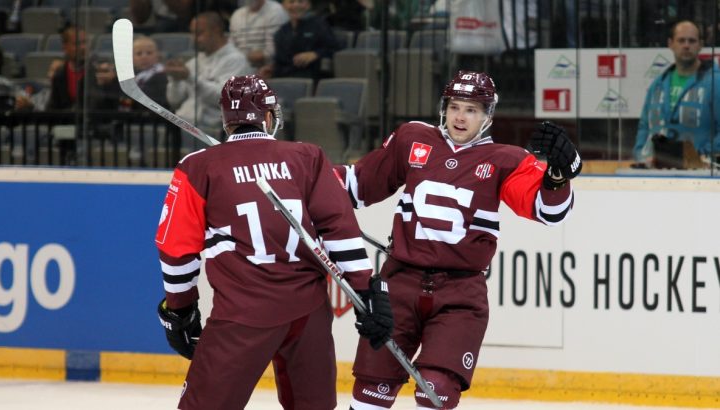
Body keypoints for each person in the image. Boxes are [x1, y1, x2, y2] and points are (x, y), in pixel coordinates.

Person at [335, 70, 581, 409]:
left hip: (460, 295)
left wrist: (557, 177)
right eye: (454, 107)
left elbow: (549, 212)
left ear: (487, 115)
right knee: (371, 391)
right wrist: (305, 184)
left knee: (435, 391)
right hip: (400, 285)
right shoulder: (412, 139)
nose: (460, 117)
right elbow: (357, 184)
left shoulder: (505, 160)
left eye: (471, 109)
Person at [154, 74, 393, 409]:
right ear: (268, 117)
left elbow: (177, 249)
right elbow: (340, 230)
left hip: (241, 314)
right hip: (308, 313)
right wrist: (365, 291)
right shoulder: (308, 157)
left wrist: (180, 309)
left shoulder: (197, 167)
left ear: (226, 120)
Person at [633, 20, 720, 167]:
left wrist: (703, 156)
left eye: (692, 41)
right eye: (681, 40)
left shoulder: (715, 83)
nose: (686, 45)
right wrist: (642, 155)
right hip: (657, 172)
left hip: (701, 173)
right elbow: (644, 126)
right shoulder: (658, 84)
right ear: (670, 44)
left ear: (700, 45)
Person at [166, 11, 254, 149]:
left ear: (216, 31)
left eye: (199, 33)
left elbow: (223, 98)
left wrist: (189, 78)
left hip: (213, 132)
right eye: (192, 33)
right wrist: (175, 80)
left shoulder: (236, 61)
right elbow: (174, 101)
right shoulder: (194, 62)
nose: (194, 39)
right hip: (183, 126)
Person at [265, 0, 340, 82]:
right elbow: (280, 61)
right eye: (291, 2)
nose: (296, 5)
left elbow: (335, 48)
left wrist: (316, 54)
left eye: (300, 1)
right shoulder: (281, 32)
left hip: (312, 77)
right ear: (284, 6)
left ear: (308, 5)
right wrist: (271, 69)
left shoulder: (319, 25)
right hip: (285, 79)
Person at [228, 0, 288, 69]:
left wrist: (237, 57)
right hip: (238, 67)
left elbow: (271, 53)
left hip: (266, 69)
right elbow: (230, 47)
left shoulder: (276, 11)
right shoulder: (236, 15)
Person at [128, 35, 168, 110]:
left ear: (157, 55)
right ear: (132, 58)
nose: (144, 57)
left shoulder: (163, 75)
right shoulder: (128, 75)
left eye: (149, 53)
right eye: (139, 53)